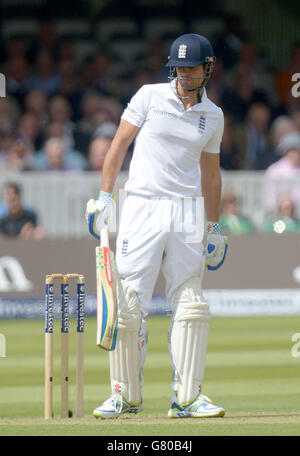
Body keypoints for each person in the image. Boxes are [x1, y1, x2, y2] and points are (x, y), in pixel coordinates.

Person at [86, 34, 228, 419]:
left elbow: (211, 177)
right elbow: (117, 146)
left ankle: (188, 398)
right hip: (143, 207)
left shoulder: (212, 115)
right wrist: (105, 196)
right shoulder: (149, 96)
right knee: (129, 306)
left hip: (186, 213)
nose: (183, 75)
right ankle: (125, 395)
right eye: (178, 68)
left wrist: (213, 229)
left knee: (191, 305)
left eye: (191, 68)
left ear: (208, 67)